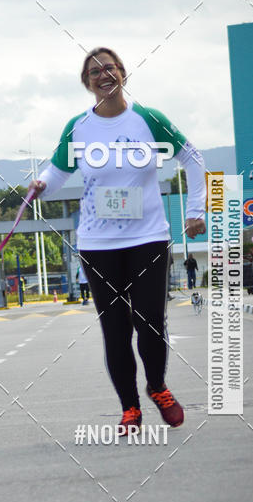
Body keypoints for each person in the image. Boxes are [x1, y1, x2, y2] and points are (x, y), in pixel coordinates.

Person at [30, 47, 206, 431]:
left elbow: (193, 158)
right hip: (97, 244)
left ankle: (157, 387)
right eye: (94, 72)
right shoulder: (79, 127)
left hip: (148, 238)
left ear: (123, 73)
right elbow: (58, 171)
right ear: (86, 82)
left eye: (109, 68)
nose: (102, 75)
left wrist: (197, 210)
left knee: (151, 323)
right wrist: (41, 184)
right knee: (114, 329)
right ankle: (130, 407)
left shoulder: (149, 119)